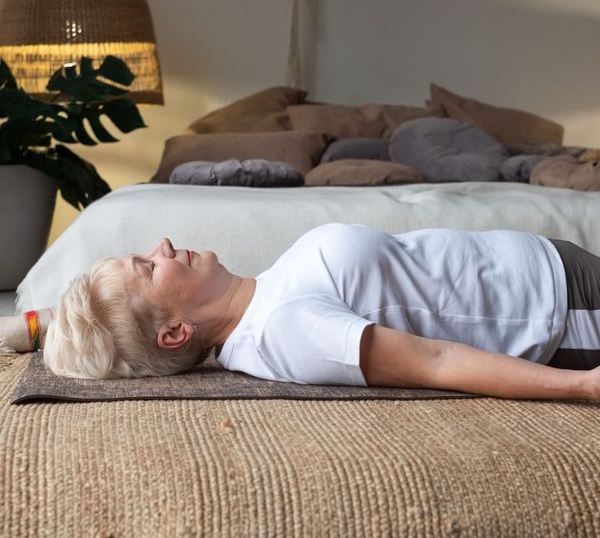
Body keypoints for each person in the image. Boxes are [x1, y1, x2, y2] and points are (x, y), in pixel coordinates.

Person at [3, 222, 600, 401]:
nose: (162, 246)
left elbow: (111, 327)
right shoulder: (283, 332)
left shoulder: (262, 299)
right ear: (176, 331)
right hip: (562, 309)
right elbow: (436, 361)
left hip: (548, 266)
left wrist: (36, 327)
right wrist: (583, 388)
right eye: (149, 267)